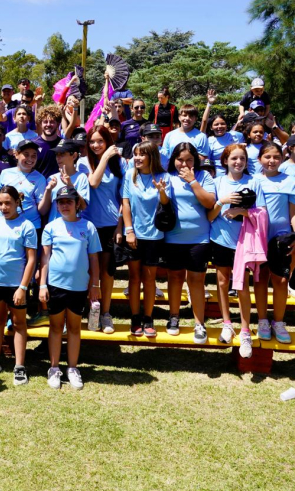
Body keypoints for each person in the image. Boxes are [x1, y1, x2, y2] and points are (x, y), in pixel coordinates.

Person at [40, 186, 101, 390]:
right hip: (55, 285)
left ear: (77, 204)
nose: (64, 205)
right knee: (56, 327)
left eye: (68, 201)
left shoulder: (89, 227)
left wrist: (95, 285)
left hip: (79, 287)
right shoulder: (51, 227)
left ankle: (72, 368)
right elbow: (45, 257)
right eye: (61, 202)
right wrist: (42, 285)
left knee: (74, 328)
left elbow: (93, 258)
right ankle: (54, 368)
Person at [207, 143, 267, 353]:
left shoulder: (254, 182)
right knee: (223, 282)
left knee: (242, 286)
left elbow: (262, 214)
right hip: (220, 238)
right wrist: (220, 202)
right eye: (234, 158)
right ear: (225, 161)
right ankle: (226, 323)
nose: (238, 162)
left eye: (242, 158)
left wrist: (241, 211)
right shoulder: (216, 182)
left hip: (244, 242)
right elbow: (209, 216)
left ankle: (245, 331)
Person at [163, 142, 216, 343]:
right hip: (173, 238)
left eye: (189, 160)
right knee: (174, 278)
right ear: (173, 160)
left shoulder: (204, 177)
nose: (184, 164)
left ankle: (199, 324)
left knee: (196, 281)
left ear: (196, 160)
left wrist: (193, 181)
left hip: (199, 238)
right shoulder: (167, 177)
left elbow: (210, 202)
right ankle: (174, 317)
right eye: (180, 160)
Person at [0, 186, 37, 384]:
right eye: (0, 203)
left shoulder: (27, 226)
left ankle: (20, 366)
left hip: (17, 284)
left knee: (18, 324)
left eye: (8, 203)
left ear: (17, 202)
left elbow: (31, 259)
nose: (4, 207)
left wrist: (23, 287)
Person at [254, 142, 295, 344]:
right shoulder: (254, 180)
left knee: (281, 281)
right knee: (260, 278)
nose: (272, 161)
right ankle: (263, 320)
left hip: (281, 238)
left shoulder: (290, 181)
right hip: (258, 237)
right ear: (260, 160)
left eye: (276, 157)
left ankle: (279, 321)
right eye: (267, 157)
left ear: (282, 159)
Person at [121, 141, 171, 338]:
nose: (137, 158)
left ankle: (148, 318)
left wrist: (161, 191)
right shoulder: (129, 175)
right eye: (135, 154)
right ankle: (135, 317)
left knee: (149, 279)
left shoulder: (163, 177)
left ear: (152, 156)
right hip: (134, 234)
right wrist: (129, 230)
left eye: (142, 154)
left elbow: (166, 203)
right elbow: (125, 203)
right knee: (134, 278)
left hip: (155, 236)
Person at [81, 127, 123, 332]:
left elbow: (124, 197)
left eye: (100, 141)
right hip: (88, 225)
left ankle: (105, 313)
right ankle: (91, 310)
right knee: (89, 272)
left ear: (108, 141)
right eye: (92, 141)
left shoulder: (120, 164)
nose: (96, 145)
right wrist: (104, 158)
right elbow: (93, 182)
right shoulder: (83, 163)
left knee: (107, 273)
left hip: (110, 225)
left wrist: (121, 225)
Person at [0, 140, 46, 231]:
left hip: (30, 227)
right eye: (26, 154)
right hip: (4, 224)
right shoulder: (5, 173)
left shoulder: (40, 178)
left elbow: (41, 208)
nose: (30, 159)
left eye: (33, 156)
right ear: (16, 154)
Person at [38, 139, 90, 223]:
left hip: (75, 228)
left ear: (74, 156)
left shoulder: (81, 177)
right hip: (55, 228)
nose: (58, 158)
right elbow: (42, 211)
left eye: (62, 154)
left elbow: (83, 206)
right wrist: (48, 190)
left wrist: (70, 186)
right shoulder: (51, 178)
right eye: (56, 154)